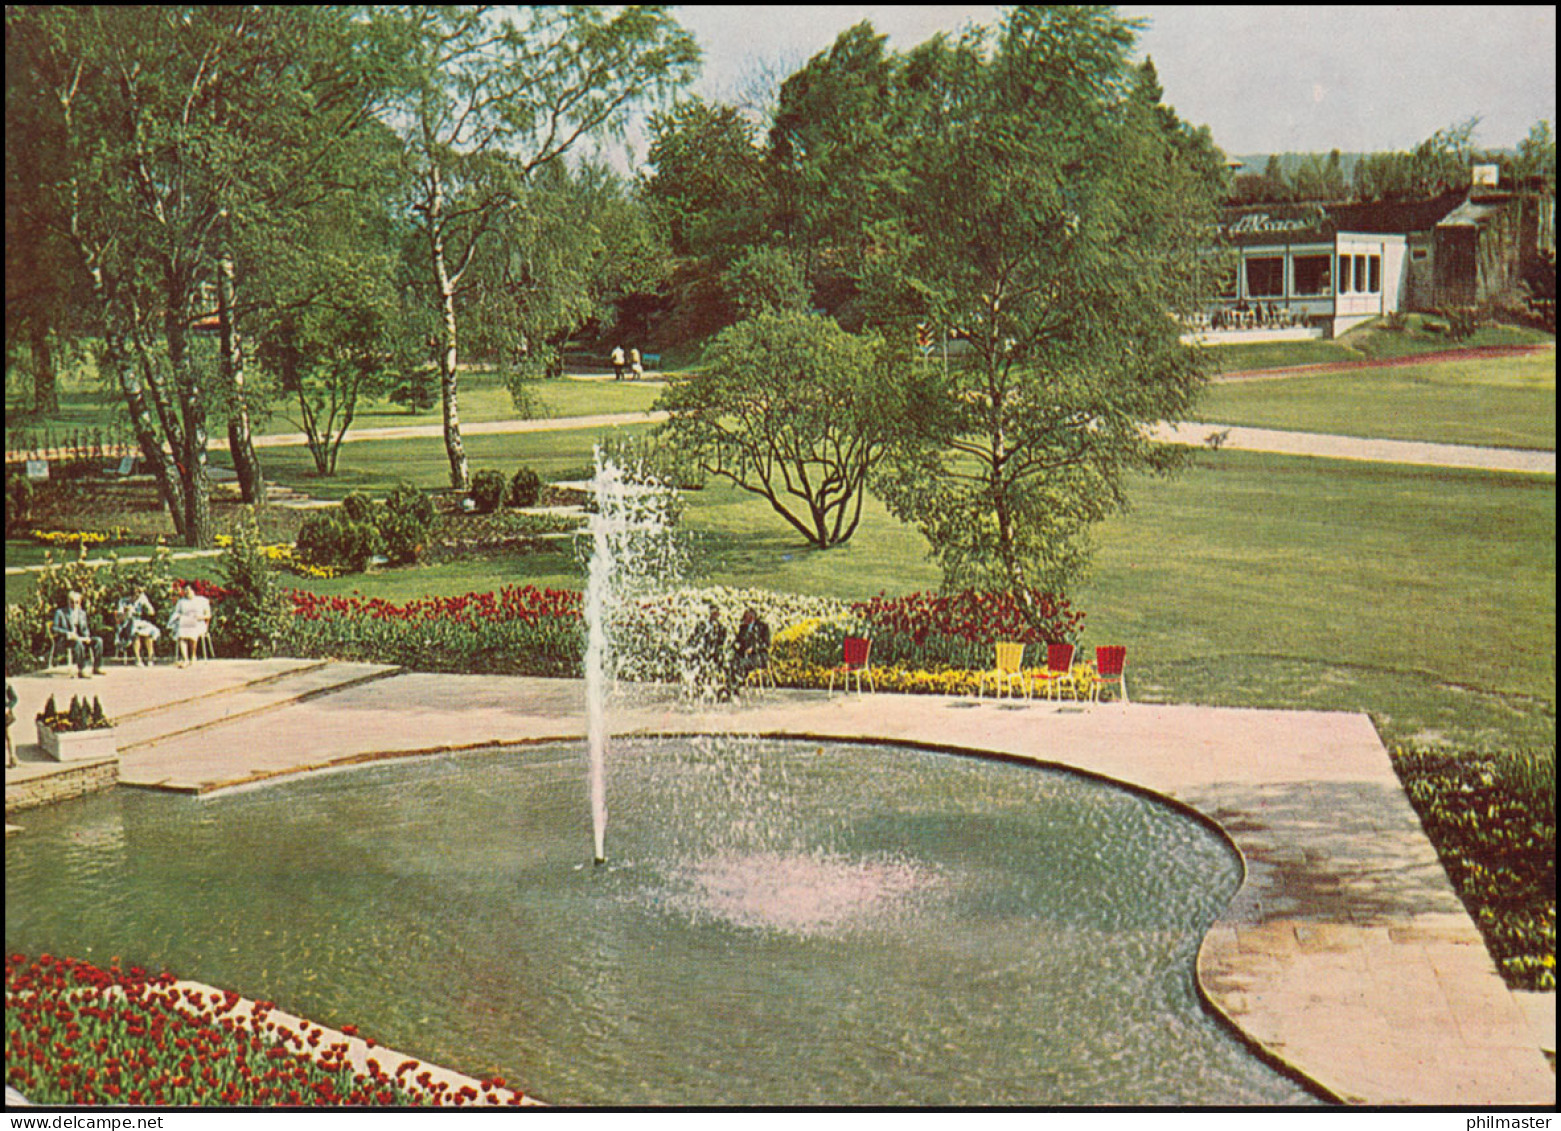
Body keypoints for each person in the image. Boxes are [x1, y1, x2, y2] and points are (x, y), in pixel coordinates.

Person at [52, 590, 104, 678]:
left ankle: (97, 667)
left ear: (80, 602)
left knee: (98, 641)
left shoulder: (82, 613)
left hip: (80, 637)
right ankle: (82, 670)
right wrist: (68, 633)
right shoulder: (60, 613)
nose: (74, 605)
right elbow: (54, 628)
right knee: (78, 643)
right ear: (68, 601)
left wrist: (87, 637)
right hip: (66, 640)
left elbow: (85, 628)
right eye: (72, 602)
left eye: (77, 602)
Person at [689, 604, 729, 699]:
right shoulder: (702, 626)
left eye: (716, 614)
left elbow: (722, 643)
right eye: (713, 614)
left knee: (722, 668)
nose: (715, 616)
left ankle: (720, 690)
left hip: (715, 654)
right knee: (700, 667)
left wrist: (719, 652)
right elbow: (694, 639)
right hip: (703, 653)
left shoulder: (722, 628)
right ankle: (699, 689)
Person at [115, 586, 161, 667]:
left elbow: (152, 612)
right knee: (135, 634)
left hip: (139, 623)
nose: (136, 597)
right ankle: (138, 658)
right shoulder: (123, 602)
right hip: (126, 625)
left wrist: (146, 604)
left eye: (138, 595)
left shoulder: (141, 599)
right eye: (134, 596)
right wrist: (126, 612)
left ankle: (150, 658)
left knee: (149, 633)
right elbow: (119, 619)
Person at [168, 584, 212, 669]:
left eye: (188, 590)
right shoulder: (181, 602)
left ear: (193, 591)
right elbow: (176, 612)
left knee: (192, 631)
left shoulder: (202, 600)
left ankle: (193, 655)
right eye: (185, 591)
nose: (186, 592)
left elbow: (208, 615)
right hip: (184, 622)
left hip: (198, 622)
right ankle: (185, 659)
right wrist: (178, 616)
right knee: (181, 634)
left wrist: (200, 617)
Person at [733, 607, 771, 689]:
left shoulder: (763, 627)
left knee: (742, 664)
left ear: (752, 617)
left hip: (758, 656)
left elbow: (766, 644)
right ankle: (733, 684)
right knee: (731, 662)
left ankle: (739, 682)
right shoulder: (742, 628)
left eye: (745, 617)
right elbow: (738, 641)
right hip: (743, 655)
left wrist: (753, 649)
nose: (744, 620)